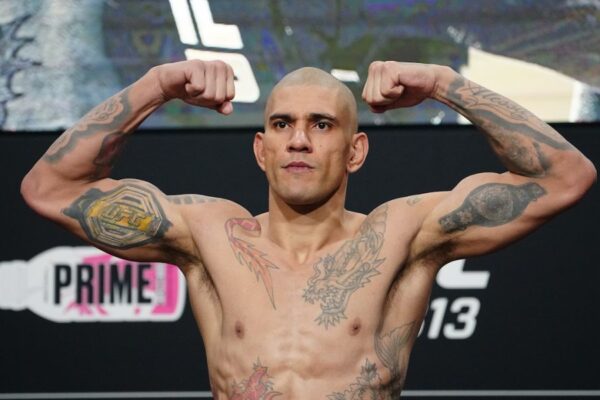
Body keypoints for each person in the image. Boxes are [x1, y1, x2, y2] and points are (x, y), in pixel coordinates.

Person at [21, 59, 595, 399]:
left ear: (355, 151)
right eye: (282, 124)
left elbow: (566, 176)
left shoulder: (399, 236)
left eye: (321, 125)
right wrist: (157, 85)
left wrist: (445, 83)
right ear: (261, 149)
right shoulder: (211, 234)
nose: (298, 140)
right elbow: (49, 189)